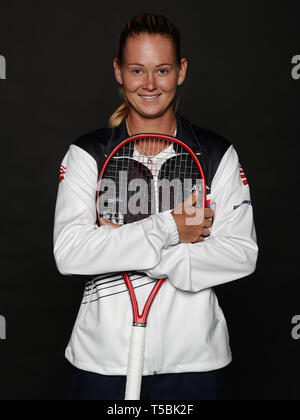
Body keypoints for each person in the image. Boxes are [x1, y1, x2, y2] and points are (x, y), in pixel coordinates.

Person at [53, 12, 258, 400]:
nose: (149, 84)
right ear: (119, 71)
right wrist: (170, 230)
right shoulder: (88, 154)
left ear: (181, 71)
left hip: (195, 362)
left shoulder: (215, 154)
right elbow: (70, 253)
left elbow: (241, 253)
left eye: (162, 70)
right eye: (137, 70)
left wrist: (137, 251)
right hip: (103, 361)